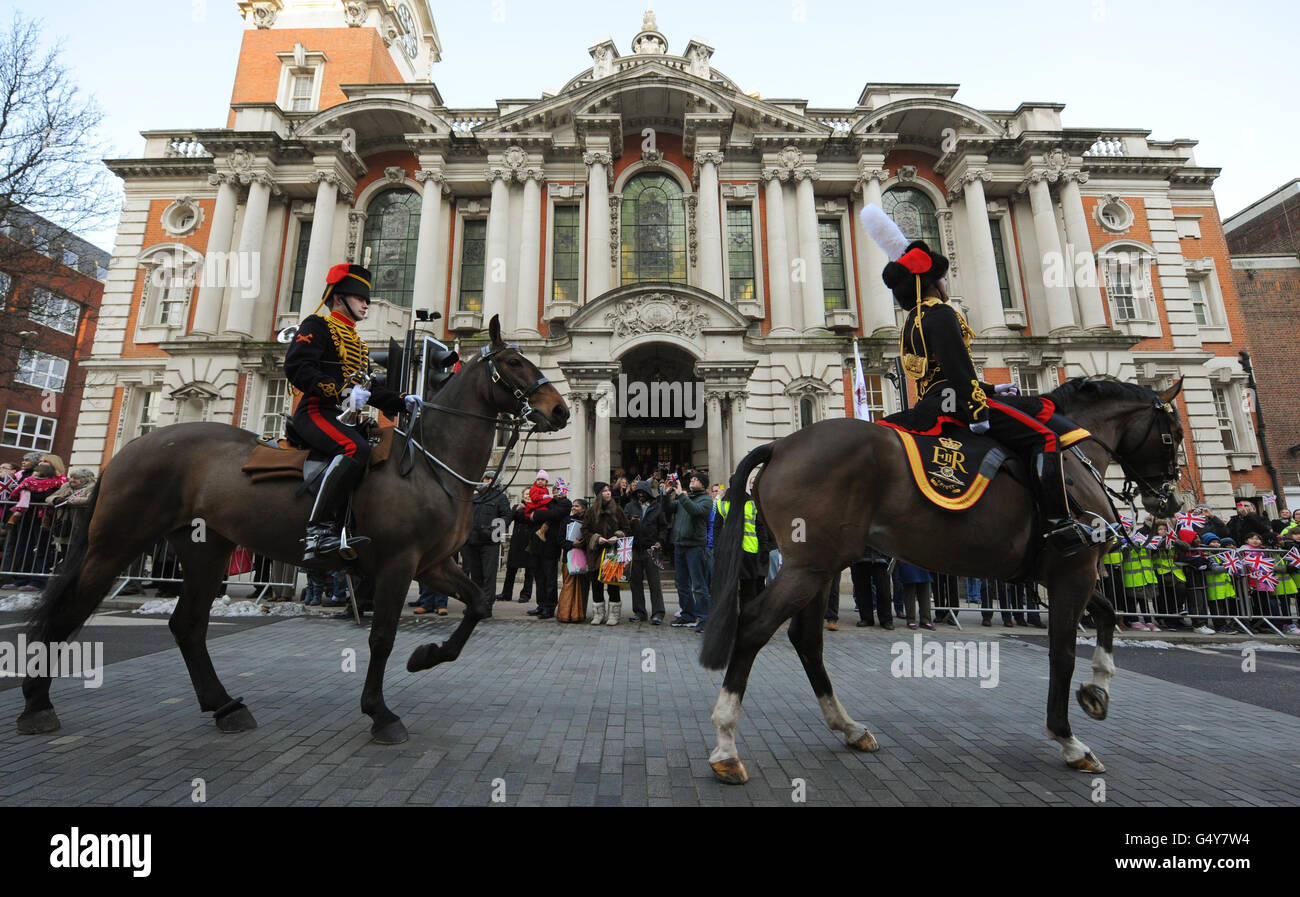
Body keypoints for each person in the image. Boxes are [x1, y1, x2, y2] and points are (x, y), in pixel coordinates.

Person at [861, 204, 1093, 556]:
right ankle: (1058, 522)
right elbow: (957, 369)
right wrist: (978, 407)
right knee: (1045, 436)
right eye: (941, 277)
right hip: (957, 404)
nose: (945, 282)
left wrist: (990, 388)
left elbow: (939, 375)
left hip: (932, 402)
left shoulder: (912, 320)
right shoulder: (940, 314)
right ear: (929, 282)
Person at [283, 262, 421, 561]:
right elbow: (297, 367)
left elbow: (368, 389)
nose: (366, 305)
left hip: (345, 416)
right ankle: (317, 533)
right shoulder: (316, 326)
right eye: (360, 299)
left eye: (367, 299)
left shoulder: (357, 343)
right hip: (318, 410)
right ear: (338, 299)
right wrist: (342, 392)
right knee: (353, 448)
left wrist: (402, 399)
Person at [663, 471, 712, 631]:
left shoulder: (706, 500)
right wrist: (665, 496)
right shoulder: (686, 498)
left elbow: (696, 511)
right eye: (691, 479)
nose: (692, 481)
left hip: (695, 546)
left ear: (704, 484)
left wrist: (681, 495)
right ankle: (687, 615)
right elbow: (669, 509)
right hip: (679, 545)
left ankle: (704, 618)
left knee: (698, 584)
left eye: (696, 479)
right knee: (681, 583)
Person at [464, 471, 511, 618]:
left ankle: (486, 606)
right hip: (472, 541)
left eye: (490, 478)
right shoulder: (475, 497)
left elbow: (507, 516)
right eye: (486, 478)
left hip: (490, 542)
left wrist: (492, 531)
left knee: (488, 576)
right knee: (475, 576)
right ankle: (476, 604)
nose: (487, 480)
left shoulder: (500, 497)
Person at [527, 479, 572, 619]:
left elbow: (553, 514)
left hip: (552, 545)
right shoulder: (550, 502)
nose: (555, 491)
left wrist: (537, 514)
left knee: (549, 577)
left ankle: (549, 607)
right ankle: (541, 605)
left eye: (557, 489)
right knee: (539, 576)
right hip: (538, 544)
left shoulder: (566, 503)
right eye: (553, 489)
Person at [624, 481, 667, 623]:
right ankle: (640, 612)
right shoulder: (630, 507)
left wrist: (660, 541)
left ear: (648, 493)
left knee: (654, 583)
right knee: (635, 583)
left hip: (651, 549)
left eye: (643, 492)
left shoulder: (657, 507)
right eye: (638, 492)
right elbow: (623, 526)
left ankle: (658, 613)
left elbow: (663, 527)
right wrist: (631, 522)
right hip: (635, 548)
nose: (640, 494)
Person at [499, 491, 535, 605]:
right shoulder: (516, 506)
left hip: (530, 542)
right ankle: (506, 593)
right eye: (526, 494)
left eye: (530, 494)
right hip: (517, 541)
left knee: (529, 571)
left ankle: (525, 594)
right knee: (511, 569)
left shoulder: (537, 508)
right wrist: (516, 509)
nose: (527, 496)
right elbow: (508, 519)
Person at [849, 548, 894, 628]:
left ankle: (886, 620)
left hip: (881, 558)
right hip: (860, 557)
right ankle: (866, 618)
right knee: (862, 590)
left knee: (884, 590)